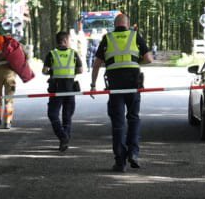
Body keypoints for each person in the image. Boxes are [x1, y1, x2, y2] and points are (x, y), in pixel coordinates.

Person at [90, 10, 152, 171]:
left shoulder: (107, 38)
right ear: (128, 24)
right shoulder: (135, 36)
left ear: (114, 25)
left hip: (115, 86)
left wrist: (93, 85)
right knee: (133, 118)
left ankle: (120, 162)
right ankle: (134, 153)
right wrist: (135, 61)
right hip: (133, 84)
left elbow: (96, 63)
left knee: (118, 124)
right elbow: (148, 59)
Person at [43, 29, 81, 151]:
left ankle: (62, 137)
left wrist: (52, 71)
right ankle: (65, 139)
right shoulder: (73, 53)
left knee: (52, 114)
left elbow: (44, 71)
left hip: (56, 89)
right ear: (65, 40)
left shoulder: (52, 54)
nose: (70, 42)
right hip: (70, 89)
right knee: (67, 116)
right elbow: (80, 70)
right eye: (69, 40)